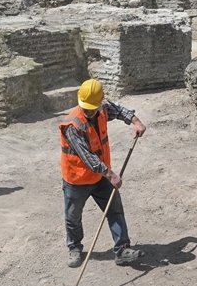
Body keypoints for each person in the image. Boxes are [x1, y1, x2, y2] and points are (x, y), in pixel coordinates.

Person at [60, 78, 147, 268]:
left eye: (93, 107)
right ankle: (75, 248)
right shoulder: (72, 126)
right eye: (86, 108)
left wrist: (136, 121)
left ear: (100, 103)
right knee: (73, 217)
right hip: (77, 180)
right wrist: (111, 175)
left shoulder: (102, 108)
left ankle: (122, 250)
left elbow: (119, 110)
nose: (89, 111)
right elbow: (88, 157)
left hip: (101, 177)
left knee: (115, 210)